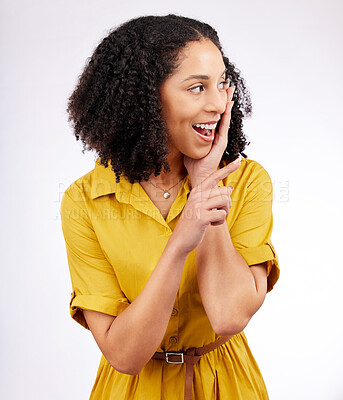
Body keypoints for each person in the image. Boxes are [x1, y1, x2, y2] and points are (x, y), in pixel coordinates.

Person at [60, 14, 280, 400]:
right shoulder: (84, 201)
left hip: (226, 385)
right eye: (197, 88)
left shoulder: (248, 183)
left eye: (222, 84)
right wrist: (179, 244)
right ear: (144, 98)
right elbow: (123, 354)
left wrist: (205, 183)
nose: (217, 103)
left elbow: (229, 317)